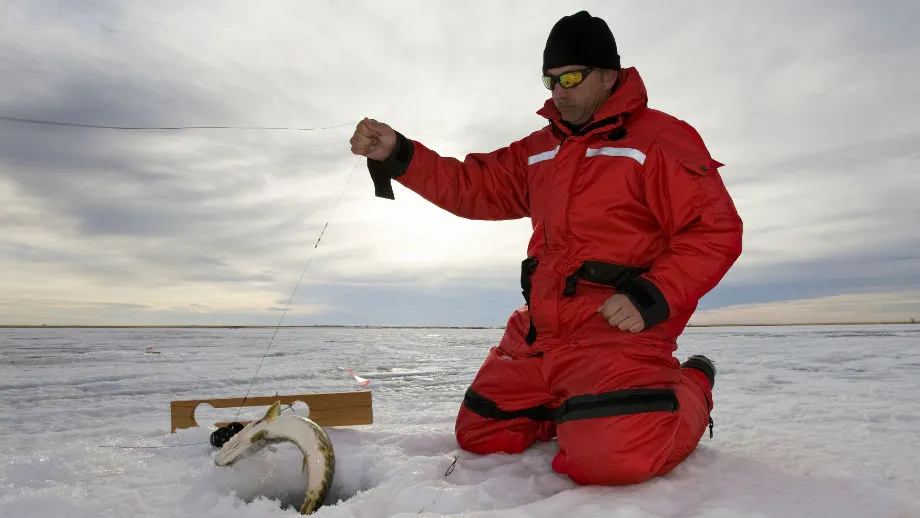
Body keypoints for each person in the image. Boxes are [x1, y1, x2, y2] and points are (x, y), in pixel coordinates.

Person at [349, 10, 743, 486]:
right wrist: (398, 153)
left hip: (616, 329)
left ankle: (692, 384)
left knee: (611, 460)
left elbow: (715, 230)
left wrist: (651, 296)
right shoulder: (540, 149)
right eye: (550, 80)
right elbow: (473, 187)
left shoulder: (660, 141)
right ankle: (578, 406)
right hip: (541, 331)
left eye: (571, 77)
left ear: (608, 74)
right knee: (481, 433)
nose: (559, 91)